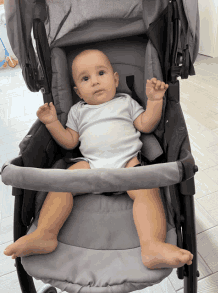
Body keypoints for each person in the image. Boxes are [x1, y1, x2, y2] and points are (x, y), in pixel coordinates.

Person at [4, 49, 193, 270]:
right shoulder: (77, 111)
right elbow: (69, 142)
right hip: (90, 165)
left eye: (101, 73)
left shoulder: (126, 102)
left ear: (115, 79)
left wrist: (154, 101)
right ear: (78, 91)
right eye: (86, 79)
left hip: (127, 163)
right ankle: (45, 233)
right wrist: (52, 123)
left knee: (148, 191)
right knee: (61, 184)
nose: (95, 82)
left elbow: (145, 125)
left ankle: (152, 246)